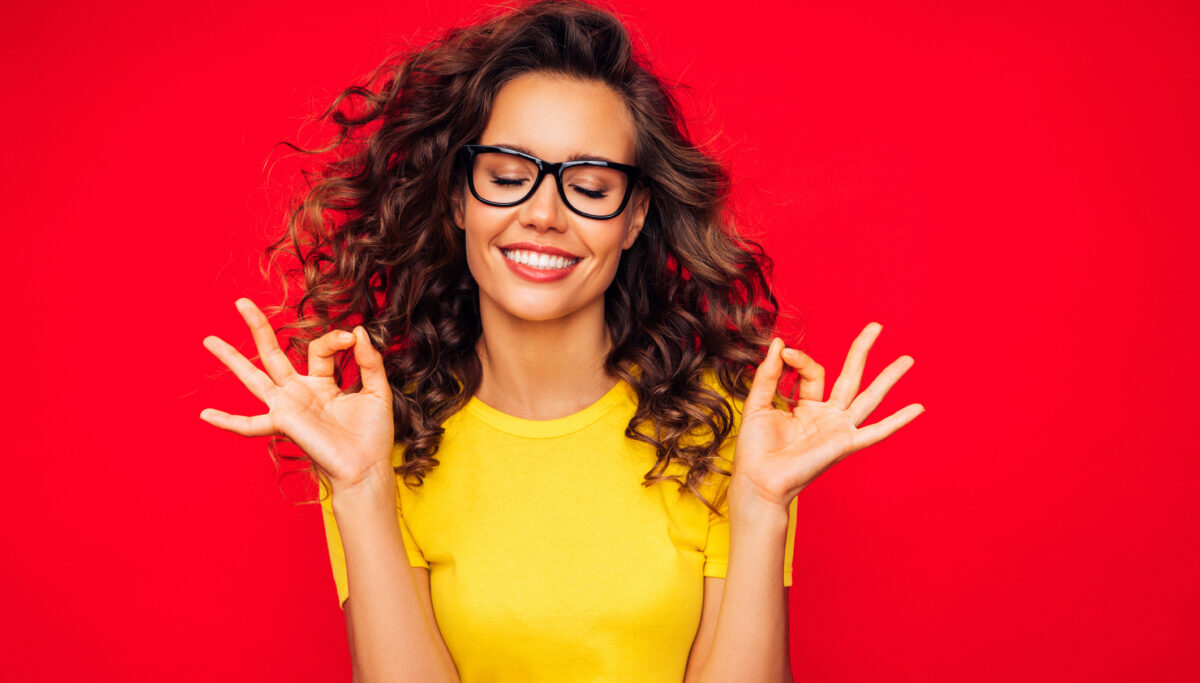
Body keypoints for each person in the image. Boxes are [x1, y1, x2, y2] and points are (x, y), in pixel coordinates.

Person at [199, 0, 924, 680]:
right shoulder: (381, 439)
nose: (544, 213)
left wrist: (764, 507)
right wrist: (359, 489)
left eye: (591, 184)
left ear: (634, 217)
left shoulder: (724, 431)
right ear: (459, 196)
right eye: (510, 176)